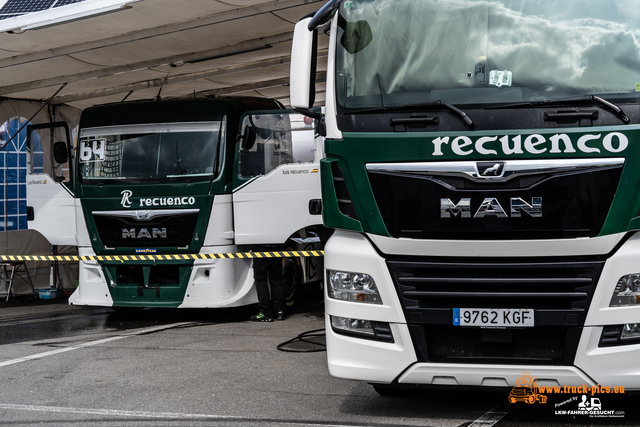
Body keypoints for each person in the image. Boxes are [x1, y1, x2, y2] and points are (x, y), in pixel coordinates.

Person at [250, 249, 285, 322]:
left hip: (261, 249)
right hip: (276, 248)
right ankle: (279, 312)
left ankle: (265, 313)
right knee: (277, 280)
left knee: (261, 280)